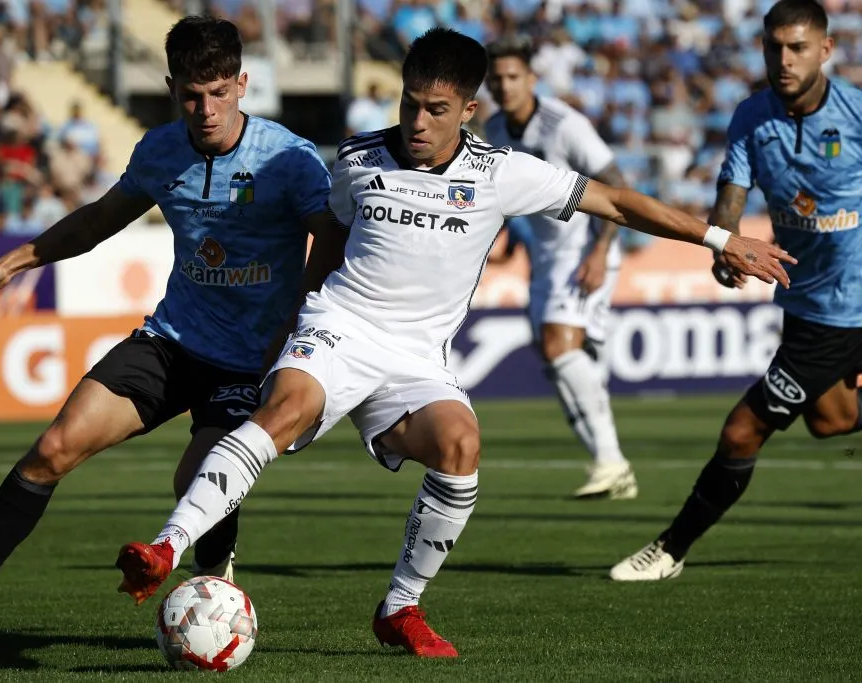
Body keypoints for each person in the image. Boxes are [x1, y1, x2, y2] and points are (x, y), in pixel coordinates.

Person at [116, 28, 793, 657]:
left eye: (436, 110)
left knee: (461, 446)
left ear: (469, 109)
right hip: (340, 327)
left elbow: (616, 202)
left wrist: (721, 236)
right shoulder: (356, 159)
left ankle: (400, 607)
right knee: (284, 407)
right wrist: (292, 325)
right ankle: (167, 546)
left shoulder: (503, 173)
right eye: (409, 104)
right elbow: (330, 242)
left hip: (417, 356)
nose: (416, 122)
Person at [0, 16, 336, 651]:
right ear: (173, 88)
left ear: (243, 84)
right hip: (173, 341)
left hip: (250, 362)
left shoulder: (288, 158)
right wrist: (12, 264)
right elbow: (99, 220)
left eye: (220, 92)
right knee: (54, 448)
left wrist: (298, 321)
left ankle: (213, 577)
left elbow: (331, 239)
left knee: (195, 475)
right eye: (192, 95)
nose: (206, 109)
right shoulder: (160, 151)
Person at [610, 0, 862, 582]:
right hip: (804, 298)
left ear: (825, 50)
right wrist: (725, 244)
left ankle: (670, 550)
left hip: (845, 307)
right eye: (774, 46)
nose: (784, 58)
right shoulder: (752, 115)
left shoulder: (854, 113)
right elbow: (732, 189)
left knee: (742, 430)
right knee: (831, 421)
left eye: (797, 47)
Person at [484, 37, 636, 500]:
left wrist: (600, 252)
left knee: (558, 343)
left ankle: (611, 461)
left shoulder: (565, 125)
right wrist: (510, 241)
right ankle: (610, 467)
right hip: (548, 255)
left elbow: (617, 186)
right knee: (557, 359)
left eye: (513, 77)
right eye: (497, 79)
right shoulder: (494, 127)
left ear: (532, 79)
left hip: (587, 246)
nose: (505, 86)